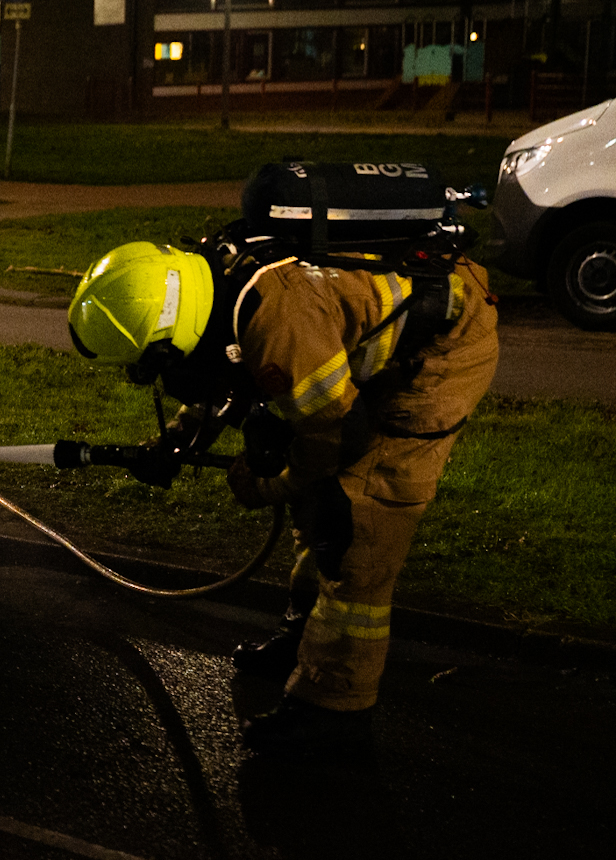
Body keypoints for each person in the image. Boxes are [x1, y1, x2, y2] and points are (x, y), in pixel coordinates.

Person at [66, 223, 498, 761]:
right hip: (358, 346)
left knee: (356, 525)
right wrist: (173, 442)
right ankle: (301, 635)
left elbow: (334, 437)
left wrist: (267, 484)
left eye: (145, 362)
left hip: (441, 350)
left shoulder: (280, 322)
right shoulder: (212, 288)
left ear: (167, 331)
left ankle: (334, 710)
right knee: (317, 503)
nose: (141, 374)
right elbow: (224, 380)